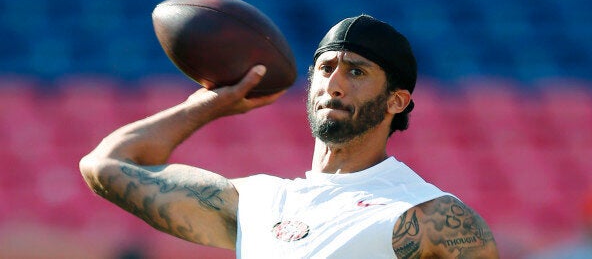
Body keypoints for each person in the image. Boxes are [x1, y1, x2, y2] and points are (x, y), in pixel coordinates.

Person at [79, 14, 499, 258]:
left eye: (357, 71)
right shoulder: (256, 202)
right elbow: (107, 166)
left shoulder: (430, 214)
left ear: (396, 101)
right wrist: (206, 104)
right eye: (325, 67)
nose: (333, 84)